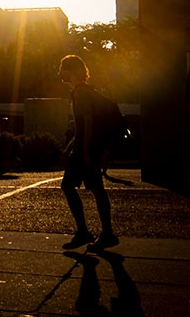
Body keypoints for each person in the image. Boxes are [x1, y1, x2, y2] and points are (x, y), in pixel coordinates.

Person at [58, 54, 119, 250]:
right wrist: (68, 149)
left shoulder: (80, 93)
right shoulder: (84, 92)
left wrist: (83, 151)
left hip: (85, 151)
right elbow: (81, 127)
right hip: (87, 149)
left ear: (72, 71)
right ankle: (106, 233)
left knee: (69, 186)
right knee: (97, 190)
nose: (60, 72)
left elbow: (88, 122)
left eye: (63, 68)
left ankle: (86, 232)